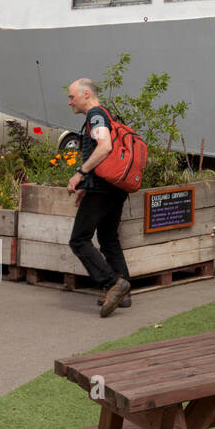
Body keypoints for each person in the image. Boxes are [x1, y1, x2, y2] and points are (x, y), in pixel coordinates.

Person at [65, 78, 132, 317]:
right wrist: (87, 184)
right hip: (114, 187)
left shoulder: (95, 115)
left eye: (72, 97)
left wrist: (80, 174)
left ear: (86, 94)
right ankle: (123, 294)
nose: (69, 102)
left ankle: (112, 283)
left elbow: (104, 147)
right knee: (108, 238)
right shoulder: (105, 115)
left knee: (79, 239)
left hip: (103, 189)